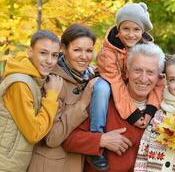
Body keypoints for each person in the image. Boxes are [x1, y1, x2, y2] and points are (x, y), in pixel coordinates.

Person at [28, 24, 131, 172]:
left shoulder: (91, 78)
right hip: (50, 166)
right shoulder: (53, 82)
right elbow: (51, 138)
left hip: (77, 164)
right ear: (63, 49)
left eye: (89, 50)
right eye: (77, 50)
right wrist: (82, 103)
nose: (84, 57)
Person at [63, 43, 165, 172]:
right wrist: (101, 140)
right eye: (137, 70)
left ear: (159, 77)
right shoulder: (103, 100)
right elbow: (68, 139)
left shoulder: (163, 109)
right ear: (127, 72)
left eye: (150, 72)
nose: (143, 78)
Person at [90, 2, 163, 170]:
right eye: (126, 29)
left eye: (136, 29)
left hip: (128, 85)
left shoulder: (148, 49)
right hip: (110, 82)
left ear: (143, 31)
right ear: (118, 28)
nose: (131, 34)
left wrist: (150, 111)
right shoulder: (107, 54)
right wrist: (133, 115)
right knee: (102, 88)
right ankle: (97, 137)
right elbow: (116, 84)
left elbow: (159, 80)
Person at [0, 30, 63, 171]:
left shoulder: (34, 79)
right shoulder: (20, 84)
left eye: (54, 55)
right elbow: (34, 133)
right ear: (29, 52)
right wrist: (52, 95)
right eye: (43, 53)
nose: (49, 60)